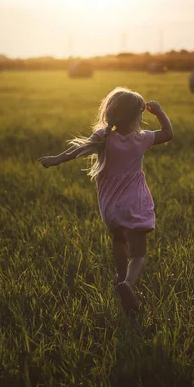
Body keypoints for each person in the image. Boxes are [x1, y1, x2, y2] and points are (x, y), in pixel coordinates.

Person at [38, 87, 173, 313]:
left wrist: (56, 159)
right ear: (137, 117)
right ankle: (128, 283)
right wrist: (159, 112)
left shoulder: (102, 136)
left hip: (110, 207)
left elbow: (77, 149)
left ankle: (120, 276)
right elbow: (168, 133)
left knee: (118, 241)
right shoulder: (141, 138)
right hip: (135, 203)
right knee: (139, 255)